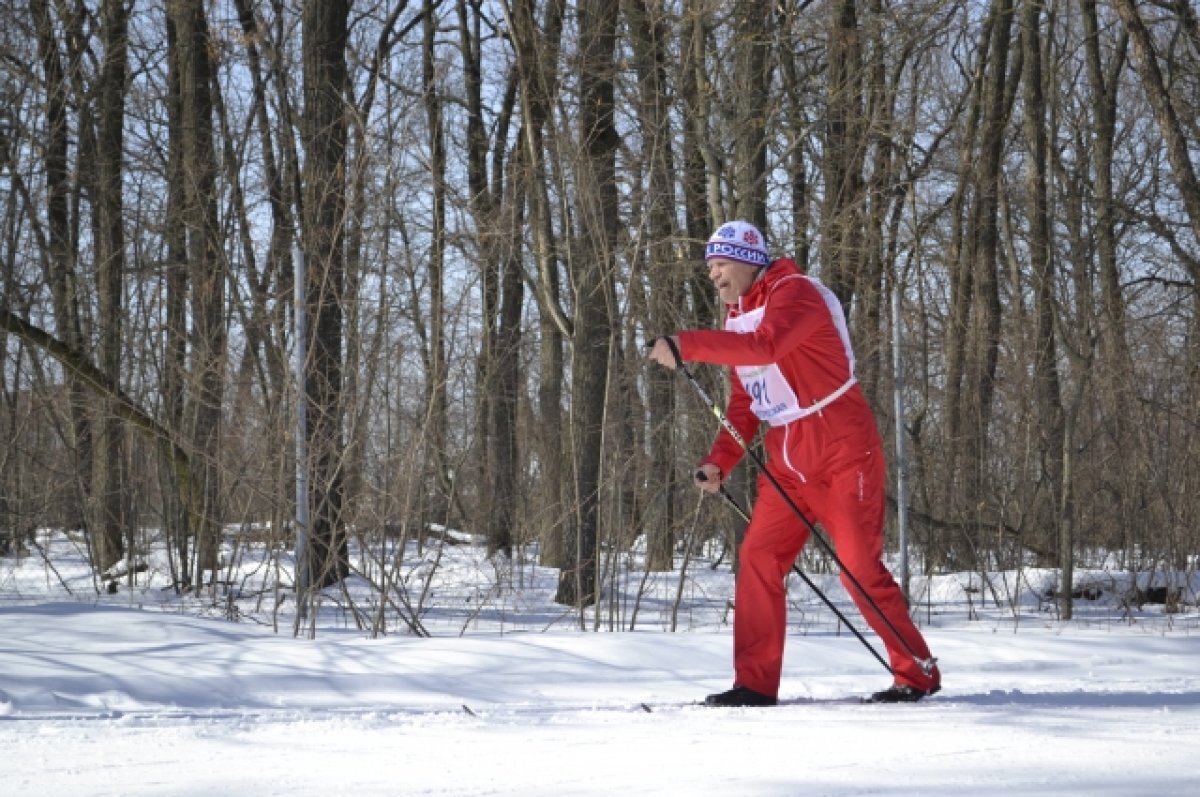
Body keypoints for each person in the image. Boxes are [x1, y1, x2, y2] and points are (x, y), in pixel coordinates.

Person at [647, 220, 940, 706]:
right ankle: (754, 685)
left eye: (720, 264)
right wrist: (720, 461)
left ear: (747, 259)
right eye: (710, 267)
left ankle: (916, 673)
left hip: (840, 445)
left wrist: (686, 345)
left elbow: (767, 347)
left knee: (857, 568)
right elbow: (743, 401)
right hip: (785, 454)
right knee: (758, 558)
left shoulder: (796, 293)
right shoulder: (735, 317)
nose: (714, 276)